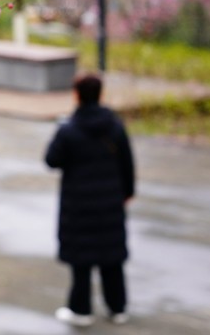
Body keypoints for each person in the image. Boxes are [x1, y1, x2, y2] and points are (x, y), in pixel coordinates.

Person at [44, 72, 136, 327]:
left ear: (76, 95)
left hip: (78, 205)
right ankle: (117, 308)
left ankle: (81, 310)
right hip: (109, 203)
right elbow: (127, 164)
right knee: (112, 259)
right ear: (101, 94)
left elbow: (51, 160)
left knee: (81, 260)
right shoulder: (115, 126)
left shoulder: (69, 130)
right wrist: (126, 194)